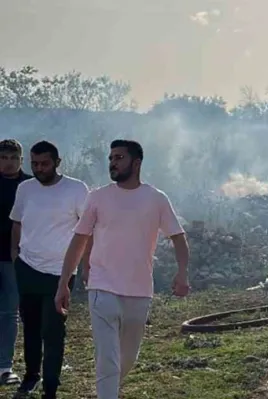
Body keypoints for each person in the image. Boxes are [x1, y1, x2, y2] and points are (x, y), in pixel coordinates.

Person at [54, 139, 190, 399]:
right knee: (108, 358)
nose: (113, 163)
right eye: (111, 158)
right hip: (102, 285)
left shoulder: (156, 198)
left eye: (119, 158)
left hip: (139, 290)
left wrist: (182, 272)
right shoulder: (97, 197)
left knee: (127, 359)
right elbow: (79, 240)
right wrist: (63, 284)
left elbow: (178, 237)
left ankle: (109, 390)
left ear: (136, 163)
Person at [9, 141, 89, 399]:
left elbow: (86, 230)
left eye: (44, 163)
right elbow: (17, 223)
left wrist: (86, 264)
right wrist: (15, 254)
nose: (39, 168)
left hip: (60, 272)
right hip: (27, 267)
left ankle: (51, 386)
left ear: (57, 162)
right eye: (34, 164)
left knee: (53, 330)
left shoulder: (76, 189)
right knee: (30, 326)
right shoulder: (25, 188)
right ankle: (31, 376)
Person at [0, 139, 32, 387]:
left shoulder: (31, 185)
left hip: (16, 258)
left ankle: (4, 367)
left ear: (21, 160)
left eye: (13, 158)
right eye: (4, 158)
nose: (8, 163)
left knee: (10, 313)